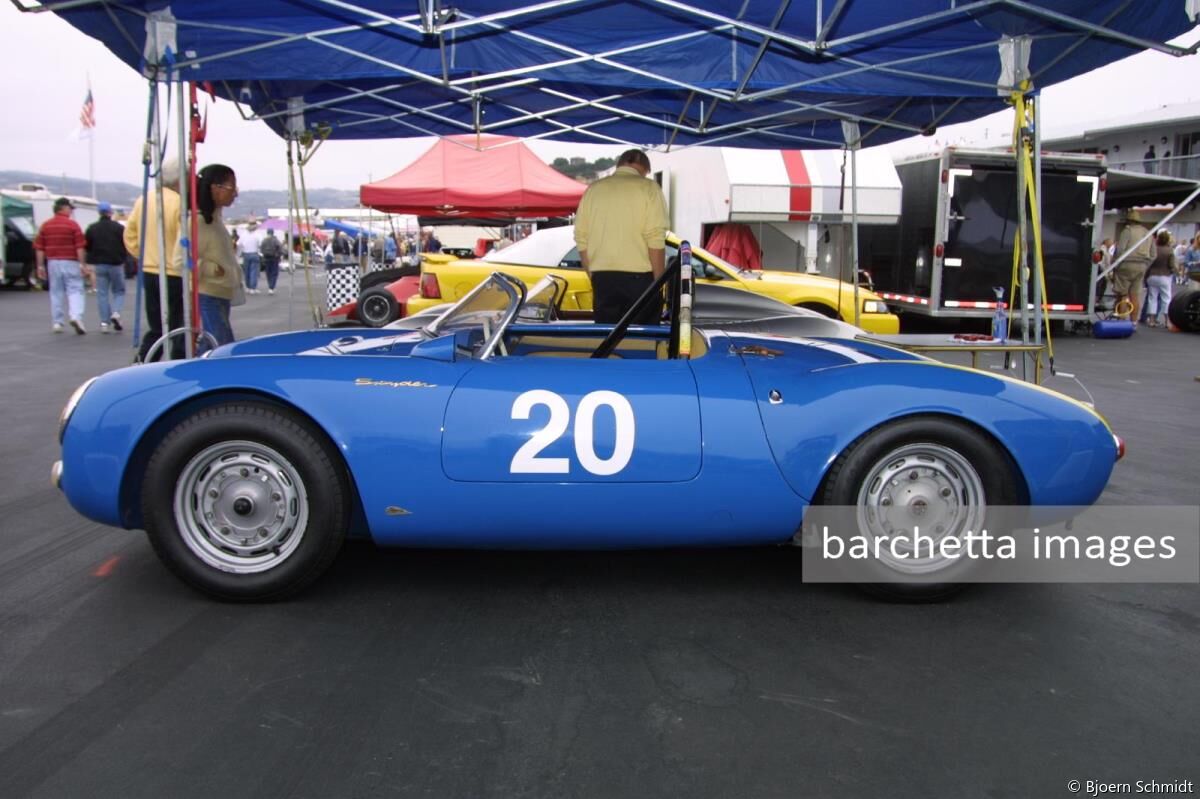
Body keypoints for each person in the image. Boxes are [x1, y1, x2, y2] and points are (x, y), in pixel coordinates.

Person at [573, 148, 669, 324]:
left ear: (619, 165)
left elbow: (581, 237)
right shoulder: (649, 188)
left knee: (607, 341)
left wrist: (593, 276)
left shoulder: (593, 190)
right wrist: (658, 282)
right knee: (641, 343)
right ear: (645, 170)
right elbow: (655, 238)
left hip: (603, 279)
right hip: (640, 280)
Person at [125, 158, 183, 360]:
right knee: (180, 327)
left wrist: (143, 255)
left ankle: (142, 362)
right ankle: (179, 366)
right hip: (175, 272)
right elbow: (184, 241)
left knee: (157, 325)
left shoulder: (144, 200)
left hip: (150, 270)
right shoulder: (179, 203)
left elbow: (130, 235)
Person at [187, 164, 243, 349]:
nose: (234, 193)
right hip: (208, 294)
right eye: (231, 187)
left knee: (213, 345)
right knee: (220, 346)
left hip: (220, 293)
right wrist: (210, 269)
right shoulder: (199, 222)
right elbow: (181, 259)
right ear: (214, 187)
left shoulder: (214, 220)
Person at [33, 197, 90, 334]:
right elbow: (79, 247)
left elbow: (40, 248)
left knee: (56, 291)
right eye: (70, 208)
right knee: (75, 289)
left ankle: (57, 322)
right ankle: (76, 316)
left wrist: (40, 266)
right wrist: (82, 264)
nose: (71, 211)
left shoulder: (45, 225)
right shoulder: (73, 225)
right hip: (70, 261)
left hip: (52, 261)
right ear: (63, 208)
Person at [84, 201, 128, 333]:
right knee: (119, 291)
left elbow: (87, 246)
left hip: (100, 263)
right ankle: (116, 312)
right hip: (116, 263)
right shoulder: (118, 228)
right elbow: (125, 244)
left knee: (102, 293)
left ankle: (104, 322)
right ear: (110, 212)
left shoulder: (92, 228)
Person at [1113, 209, 1154, 326]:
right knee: (1135, 295)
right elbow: (1153, 254)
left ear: (1129, 221)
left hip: (1126, 264)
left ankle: (1121, 320)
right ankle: (1134, 322)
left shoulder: (1127, 231)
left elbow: (1120, 250)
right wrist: (1146, 264)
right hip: (1141, 265)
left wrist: (1115, 264)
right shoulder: (1147, 232)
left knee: (1123, 294)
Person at [1143, 230, 1181, 328]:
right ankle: (1167, 321)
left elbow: (1148, 264)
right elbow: (1171, 265)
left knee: (1152, 298)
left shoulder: (1154, 249)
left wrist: (1145, 277)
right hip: (1165, 276)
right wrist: (1178, 273)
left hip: (1152, 276)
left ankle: (1151, 320)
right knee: (1166, 298)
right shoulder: (1169, 251)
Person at [239, 216, 264, 294]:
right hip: (254, 253)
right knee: (254, 271)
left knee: (246, 272)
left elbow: (239, 243)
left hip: (245, 254)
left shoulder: (244, 234)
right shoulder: (257, 233)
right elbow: (261, 243)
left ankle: (248, 287)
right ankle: (253, 288)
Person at [258, 227, 283, 295]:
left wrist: (264, 254)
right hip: (274, 258)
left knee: (268, 273)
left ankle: (270, 286)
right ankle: (272, 287)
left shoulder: (264, 240)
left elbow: (261, 249)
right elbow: (280, 248)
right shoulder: (275, 240)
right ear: (273, 232)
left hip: (266, 258)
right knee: (274, 273)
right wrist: (279, 254)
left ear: (267, 232)